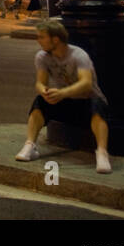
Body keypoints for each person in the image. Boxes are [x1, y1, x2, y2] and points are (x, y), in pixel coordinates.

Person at [15, 19, 112, 174]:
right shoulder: (42, 57)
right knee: (39, 103)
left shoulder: (78, 55)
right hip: (65, 101)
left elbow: (86, 83)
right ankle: (30, 145)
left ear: (55, 39)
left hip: (86, 100)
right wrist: (45, 91)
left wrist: (62, 93)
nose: (38, 40)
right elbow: (39, 82)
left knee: (97, 107)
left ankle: (101, 152)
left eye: (42, 37)